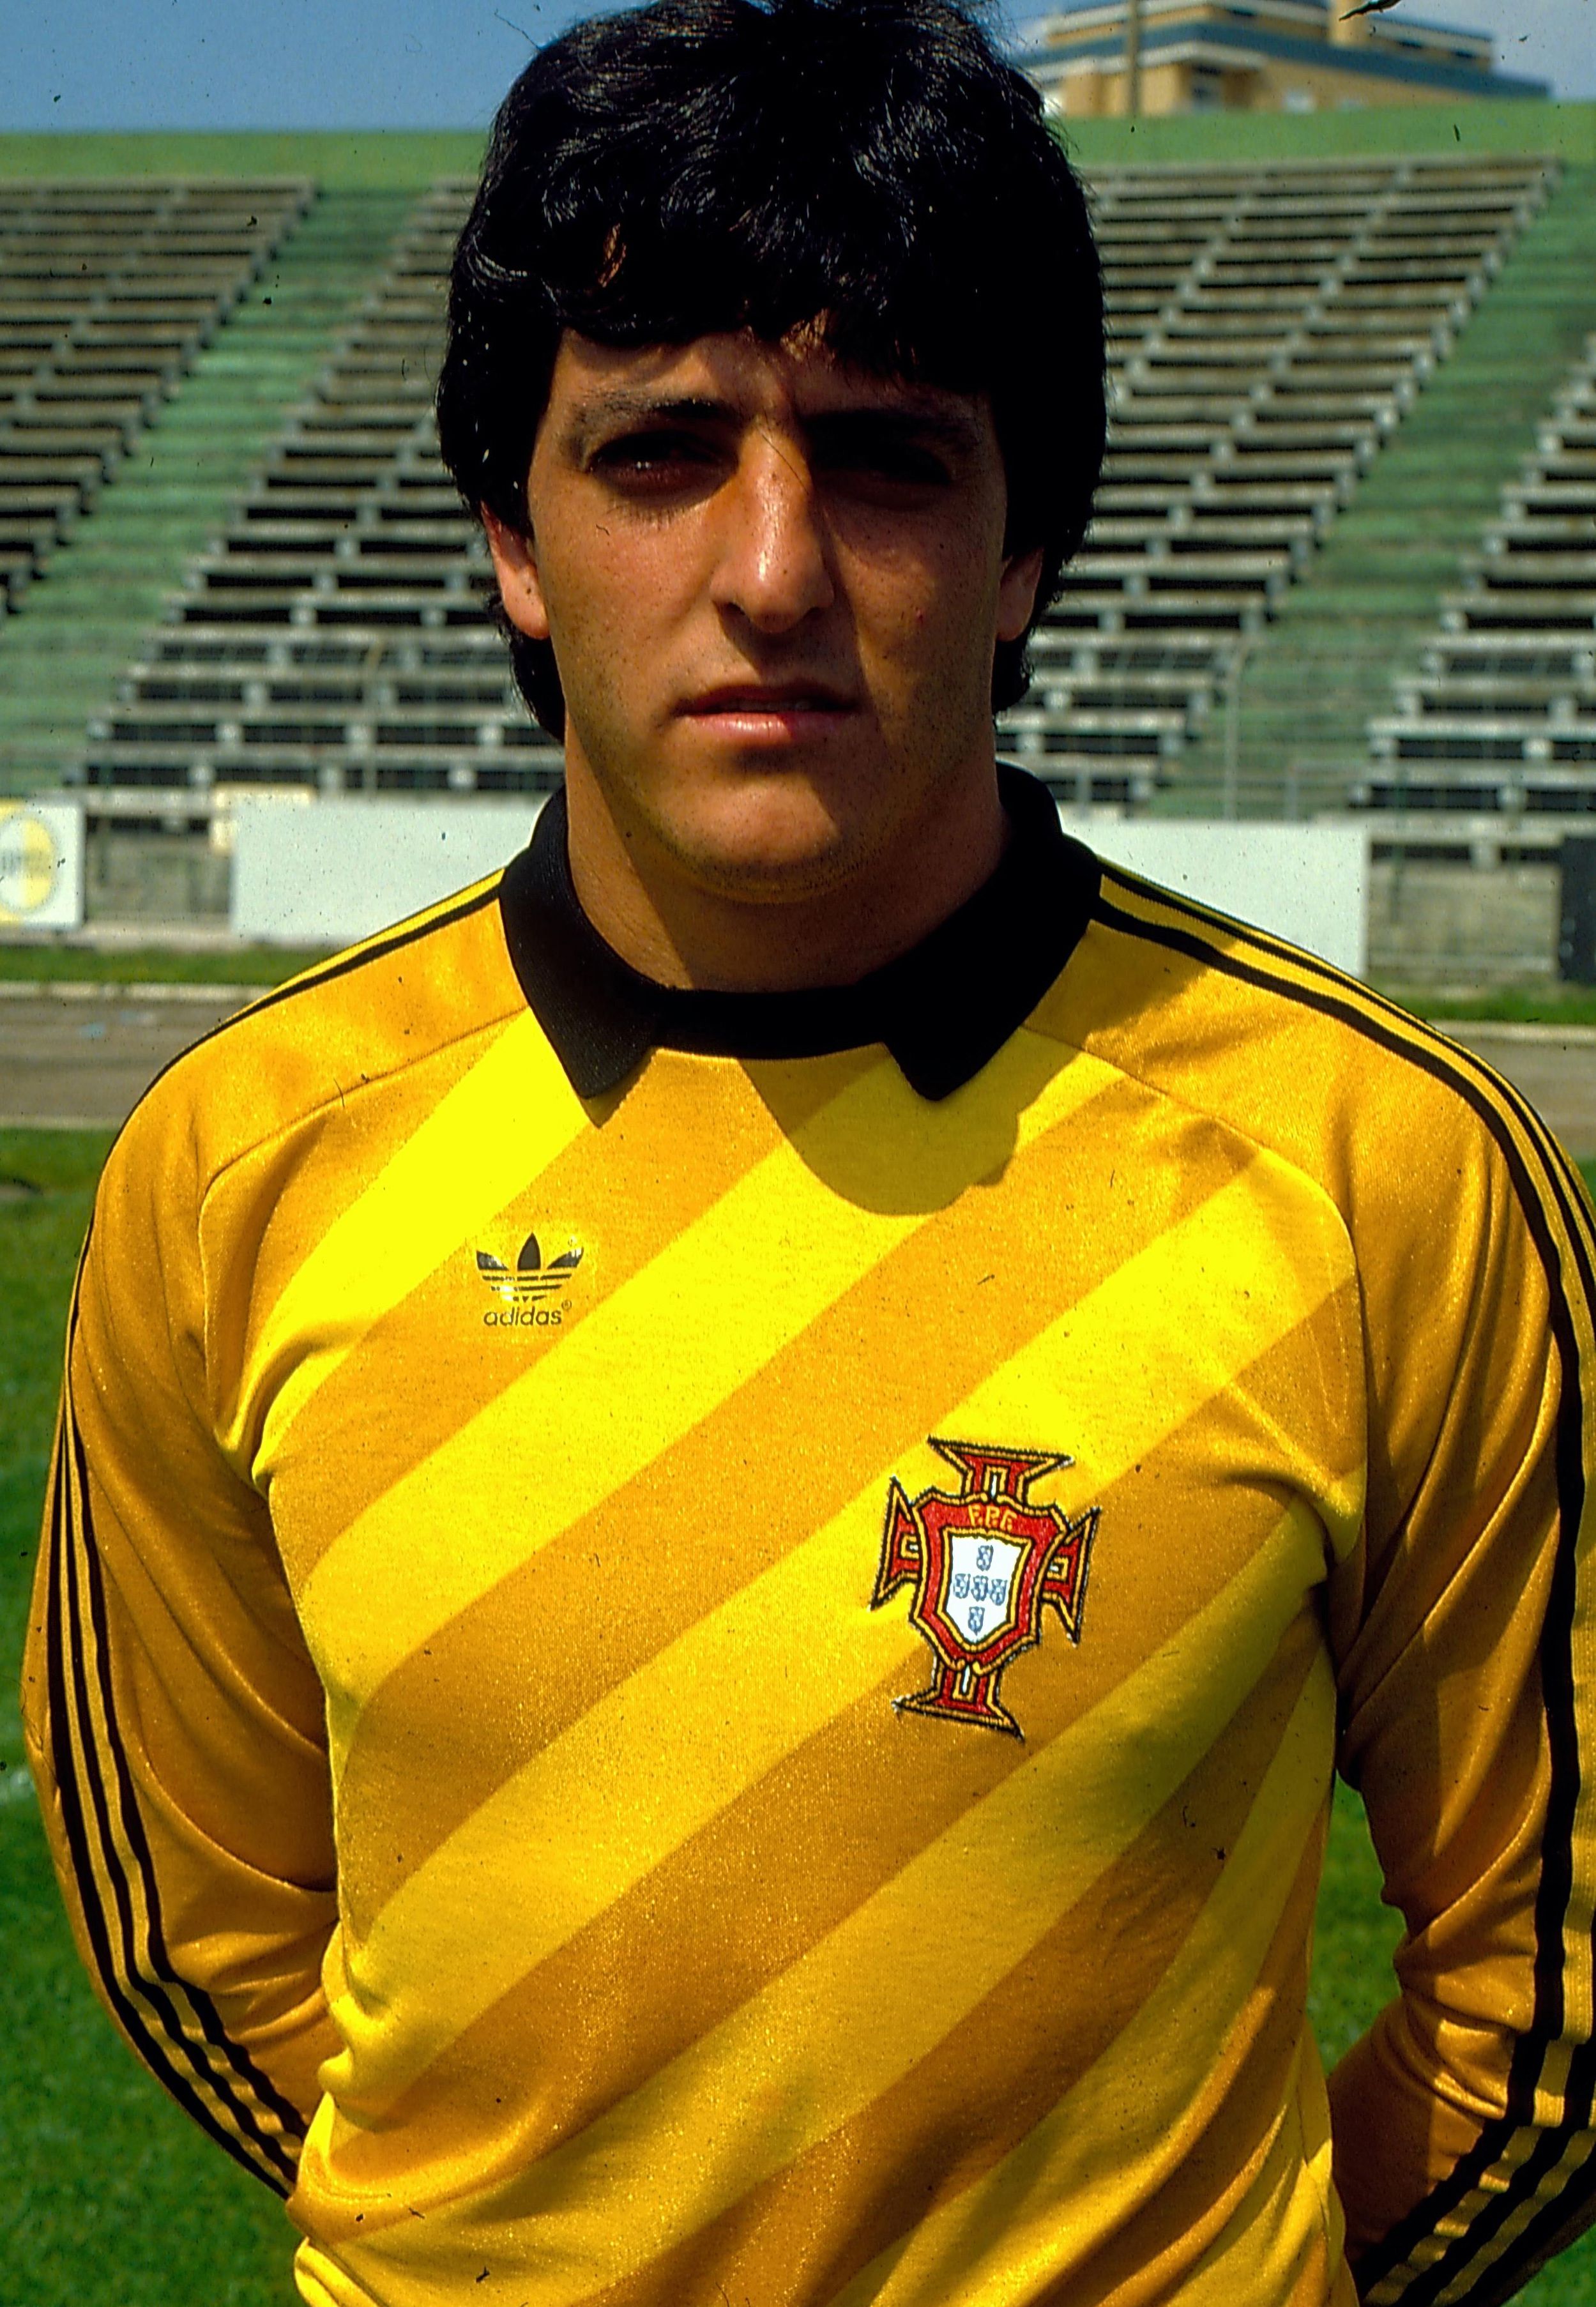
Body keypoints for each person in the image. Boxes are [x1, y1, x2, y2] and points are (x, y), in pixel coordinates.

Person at [20, 0, 1596, 2300]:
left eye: (882, 459)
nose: (772, 568)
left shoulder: (1383, 1172)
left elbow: (1547, 1991)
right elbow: (196, 1929)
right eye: (660, 453)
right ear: (512, 544)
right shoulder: (234, 1167)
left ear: (1023, 548)